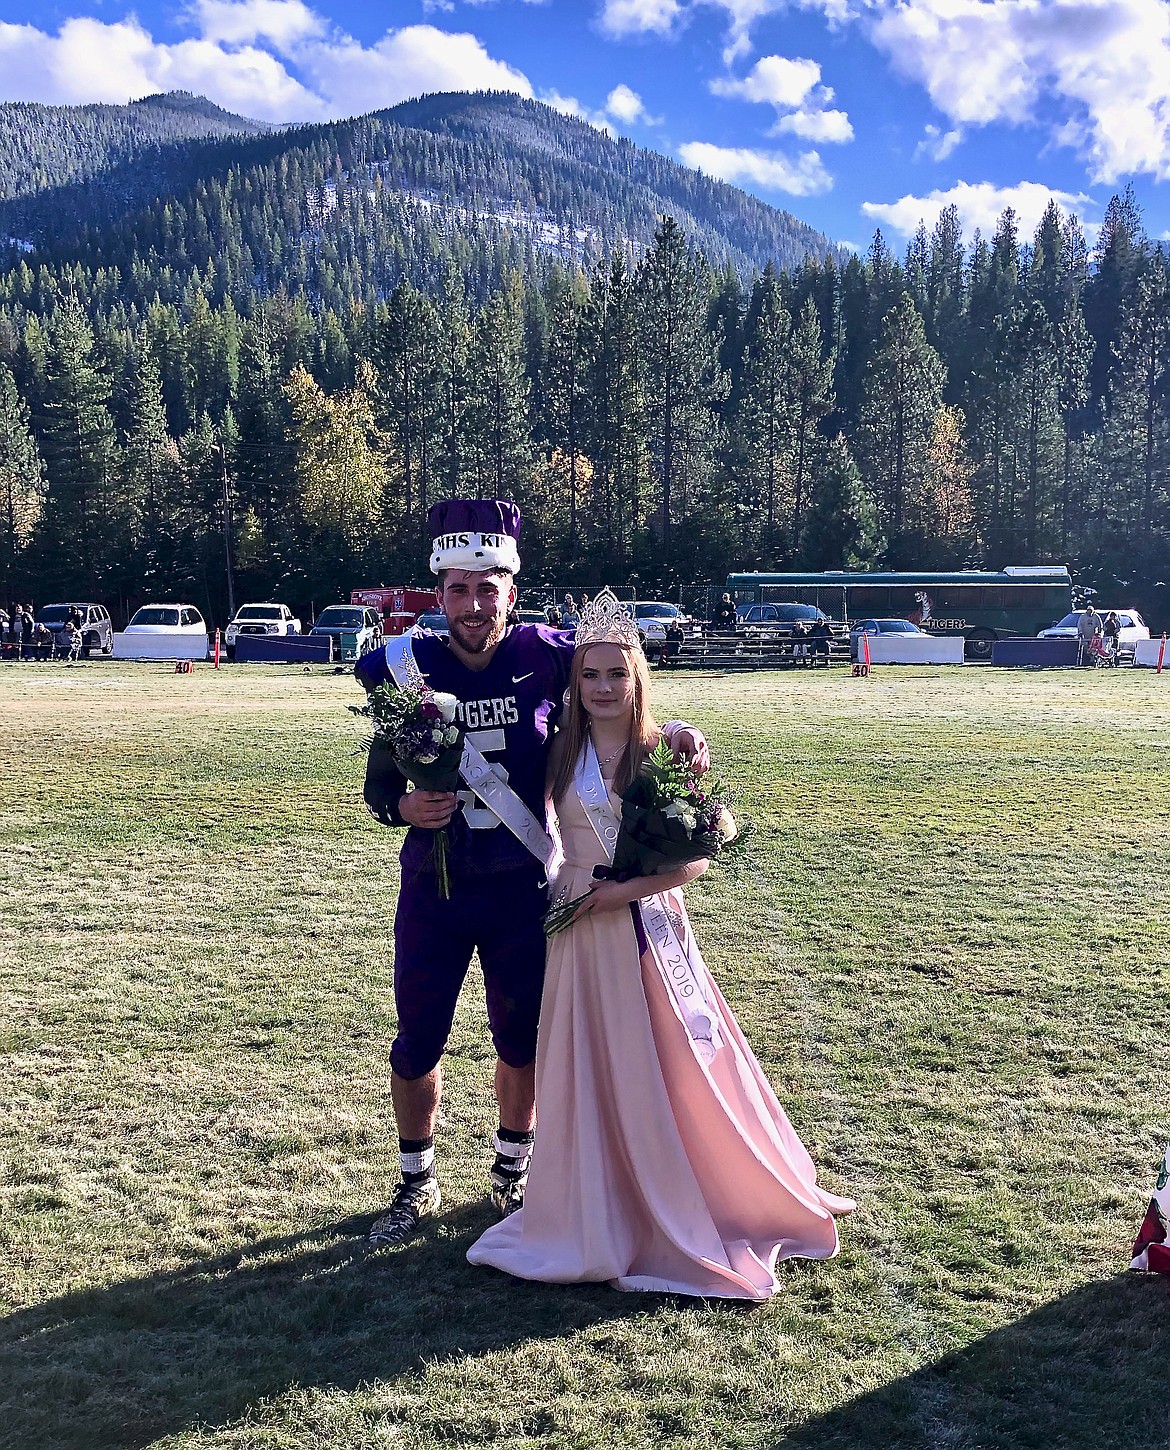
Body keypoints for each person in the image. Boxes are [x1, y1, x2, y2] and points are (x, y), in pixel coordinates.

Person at [467, 591, 854, 1299]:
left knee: (673, 1065)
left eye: (618, 674)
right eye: (591, 675)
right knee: (589, 1064)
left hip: (642, 923)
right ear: (574, 683)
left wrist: (620, 892)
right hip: (576, 928)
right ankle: (594, 1197)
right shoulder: (560, 750)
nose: (605, 687)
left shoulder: (661, 751)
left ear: (638, 678)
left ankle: (685, 1191)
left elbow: (704, 848)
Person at [355, 502, 708, 1250]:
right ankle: (415, 1182)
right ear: (438, 592)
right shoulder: (403, 666)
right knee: (418, 1040)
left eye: (489, 589)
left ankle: (511, 1171)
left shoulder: (547, 652)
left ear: (511, 592)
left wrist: (671, 731)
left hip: (523, 889)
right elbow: (378, 780)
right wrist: (400, 805)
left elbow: (615, 691)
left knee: (521, 1041)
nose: (475, 605)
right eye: (459, 589)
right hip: (435, 889)